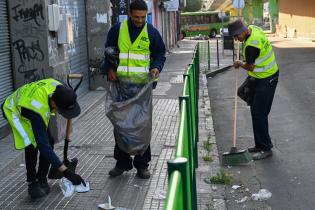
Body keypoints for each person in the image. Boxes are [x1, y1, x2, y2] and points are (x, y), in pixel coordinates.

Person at [103, 0, 166, 179]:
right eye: (137, 17)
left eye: (143, 17)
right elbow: (108, 49)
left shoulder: (152, 32)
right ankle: (122, 163)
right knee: (121, 126)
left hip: (142, 89)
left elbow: (160, 53)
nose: (140, 20)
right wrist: (109, 68)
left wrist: (156, 67)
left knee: (141, 126)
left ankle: (142, 165)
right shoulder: (117, 29)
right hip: (121, 86)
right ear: (130, 13)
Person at [1, 78, 86, 199]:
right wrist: (67, 173)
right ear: (53, 103)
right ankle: (32, 182)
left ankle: (42, 178)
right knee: (33, 143)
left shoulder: (59, 88)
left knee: (49, 140)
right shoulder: (38, 110)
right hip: (14, 109)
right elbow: (43, 146)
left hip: (30, 102)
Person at [228, 19, 279, 160]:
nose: (236, 39)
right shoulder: (253, 29)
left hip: (266, 78)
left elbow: (250, 66)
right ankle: (259, 144)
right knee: (256, 111)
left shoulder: (251, 45)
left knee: (259, 113)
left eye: (236, 36)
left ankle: (266, 148)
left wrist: (239, 63)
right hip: (262, 77)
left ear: (242, 31)